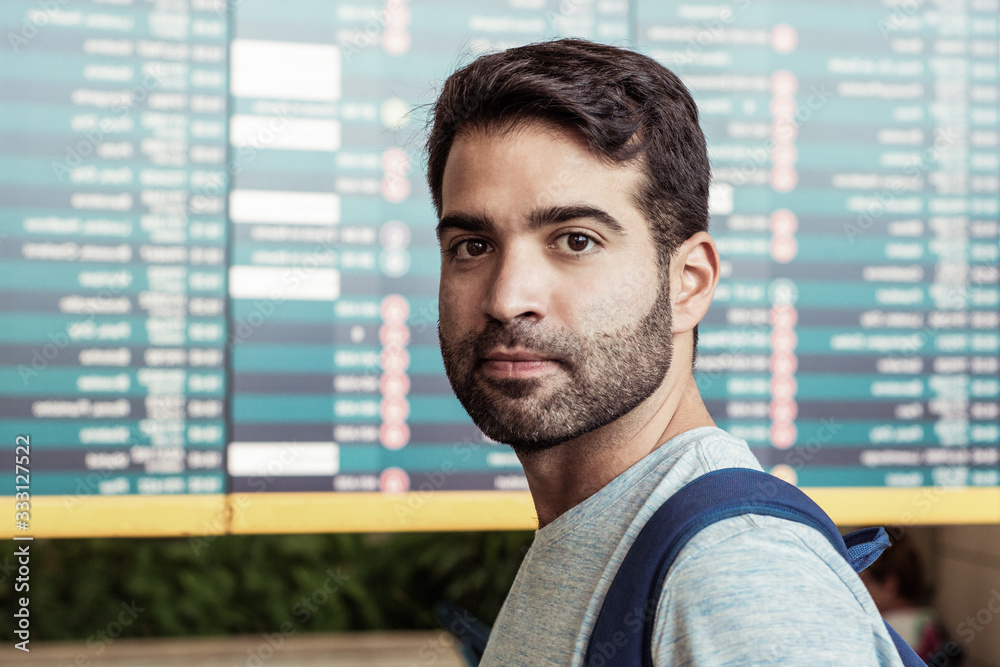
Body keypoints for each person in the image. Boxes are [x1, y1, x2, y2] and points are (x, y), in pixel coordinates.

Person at [427, 38, 903, 666]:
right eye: (472, 245)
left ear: (689, 282)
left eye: (575, 240)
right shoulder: (603, 531)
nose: (508, 298)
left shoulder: (738, 572)